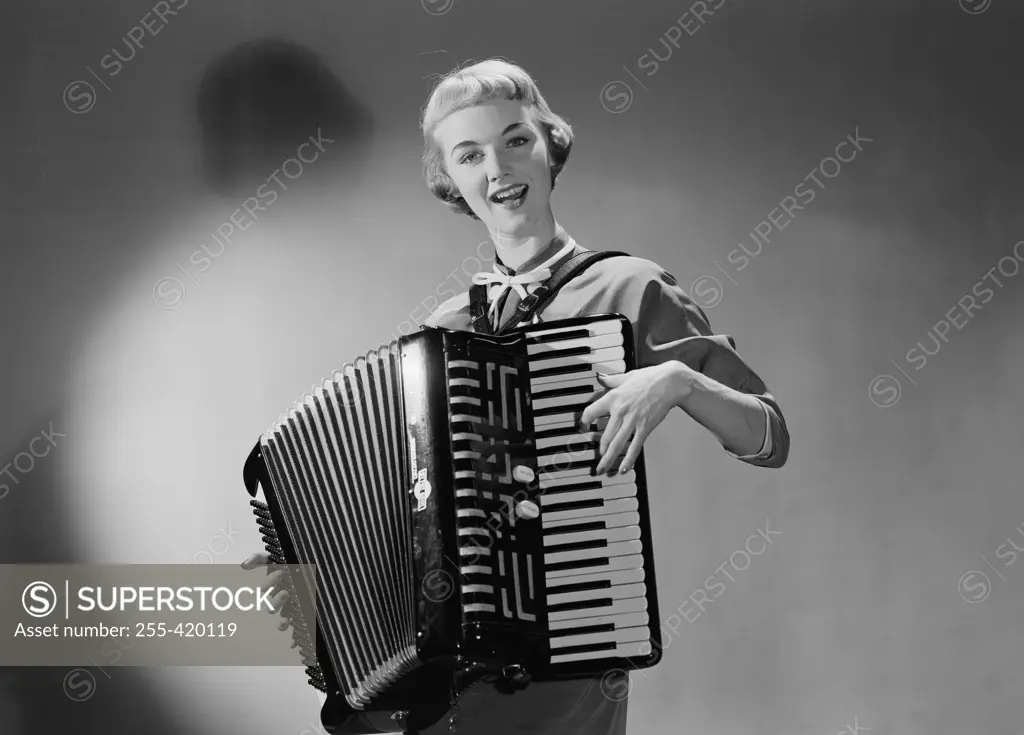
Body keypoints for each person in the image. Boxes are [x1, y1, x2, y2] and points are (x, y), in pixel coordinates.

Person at [243, 58, 790, 734]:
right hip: (450, 680)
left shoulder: (629, 286)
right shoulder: (446, 330)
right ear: (453, 182)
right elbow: (409, 508)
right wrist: (309, 559)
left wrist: (677, 381)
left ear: (550, 146)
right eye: (470, 155)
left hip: (569, 657)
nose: (498, 167)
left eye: (515, 140)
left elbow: (769, 435)